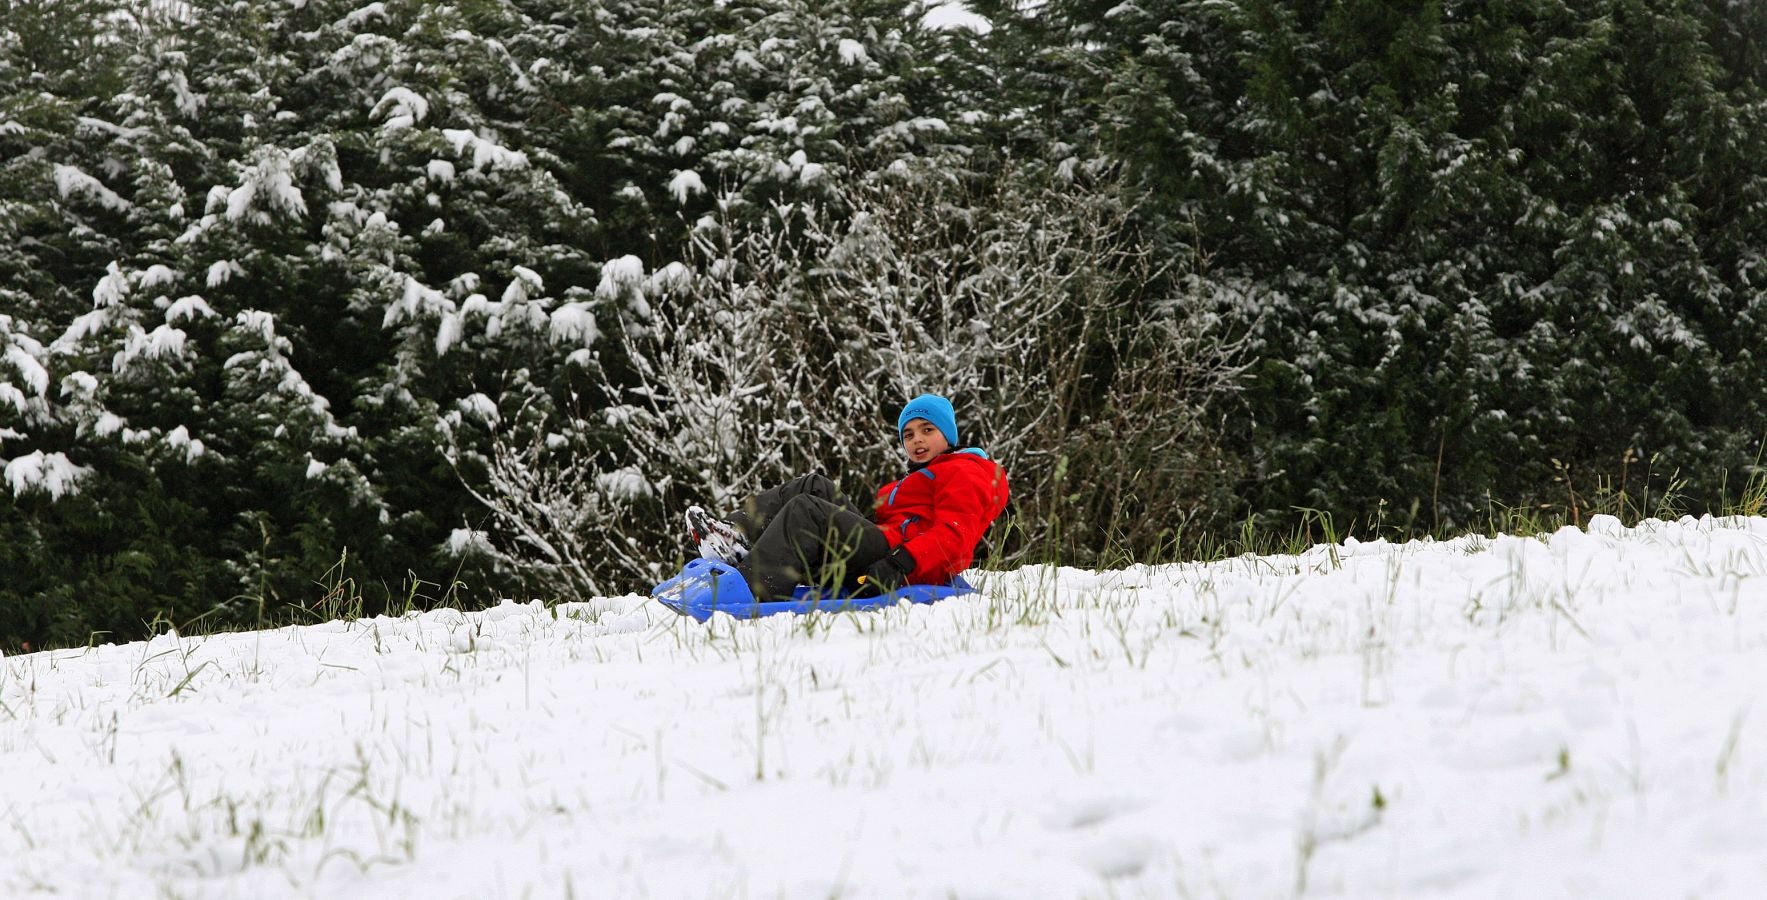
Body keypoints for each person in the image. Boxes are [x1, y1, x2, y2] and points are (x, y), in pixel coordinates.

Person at [684, 393, 1010, 602]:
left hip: (904, 561)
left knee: (806, 510)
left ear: (948, 435)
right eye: (908, 434)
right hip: (885, 546)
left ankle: (755, 586)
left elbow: (956, 532)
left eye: (928, 430)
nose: (917, 440)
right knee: (813, 485)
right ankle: (734, 536)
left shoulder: (965, 470)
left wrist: (900, 563)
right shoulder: (917, 480)